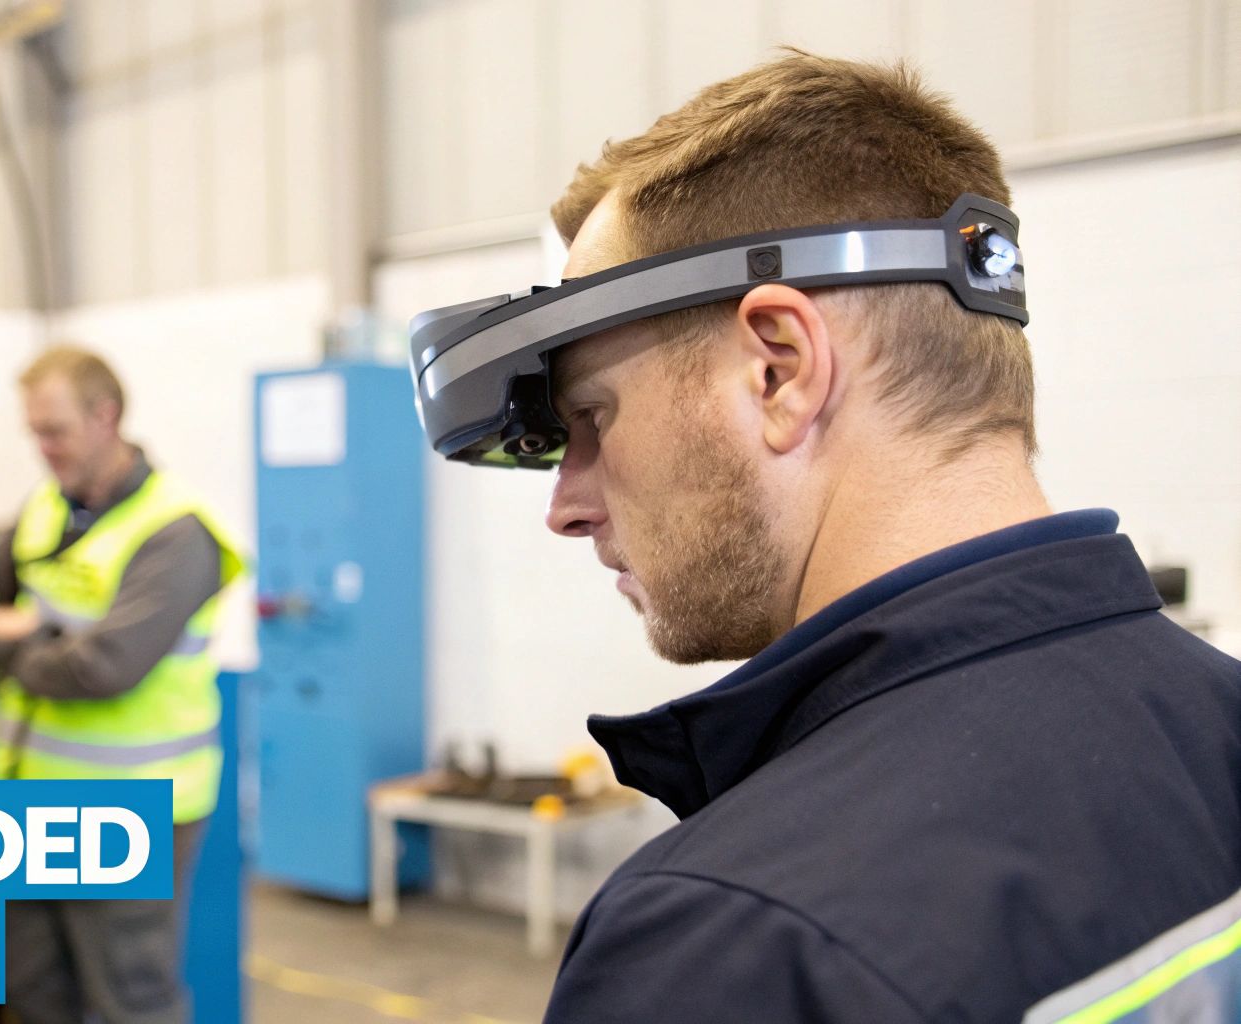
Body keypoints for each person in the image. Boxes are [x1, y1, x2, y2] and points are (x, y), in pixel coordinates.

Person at [502, 52, 1240, 1020]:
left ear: (777, 370)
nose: (566, 503)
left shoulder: (731, 942)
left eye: (593, 417)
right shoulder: (1215, 725)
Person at [0, 345, 242, 1024]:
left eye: (55, 431)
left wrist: (11, 641)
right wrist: (9, 634)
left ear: (107, 417)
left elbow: (103, 668)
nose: (43, 449)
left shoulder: (176, 531)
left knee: (130, 1000)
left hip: (133, 808)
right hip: (28, 801)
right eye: (34, 432)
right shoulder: (43, 511)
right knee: (29, 992)